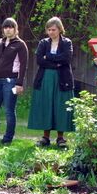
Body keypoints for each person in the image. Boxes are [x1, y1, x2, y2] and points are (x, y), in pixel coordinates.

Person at [28, 17, 74, 148]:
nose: (51, 32)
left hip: (62, 79)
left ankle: (60, 138)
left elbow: (66, 59)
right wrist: (57, 62)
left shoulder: (67, 43)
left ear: (60, 29)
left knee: (60, 106)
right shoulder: (43, 43)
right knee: (46, 105)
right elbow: (39, 60)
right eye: (48, 30)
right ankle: (45, 137)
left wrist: (48, 57)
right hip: (45, 78)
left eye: (53, 29)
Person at [0, 17, 28, 144]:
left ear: (16, 29)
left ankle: (8, 138)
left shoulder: (20, 45)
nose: (8, 30)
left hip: (12, 81)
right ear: (3, 29)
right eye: (6, 27)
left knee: (9, 110)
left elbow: (23, 65)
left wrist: (19, 83)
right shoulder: (0, 42)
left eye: (11, 27)